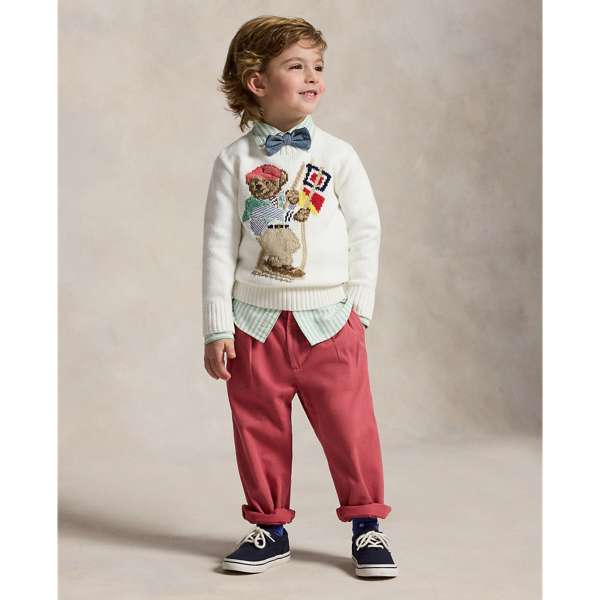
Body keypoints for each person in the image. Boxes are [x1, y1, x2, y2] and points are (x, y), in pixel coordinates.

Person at [202, 15, 397, 578]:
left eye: (318, 66)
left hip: (330, 322)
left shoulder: (338, 155)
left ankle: (367, 526)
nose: (313, 77)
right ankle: (270, 528)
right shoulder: (233, 162)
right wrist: (217, 327)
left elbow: (366, 230)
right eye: (296, 66)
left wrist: (359, 309)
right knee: (258, 428)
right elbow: (217, 246)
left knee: (350, 427)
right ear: (257, 82)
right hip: (254, 324)